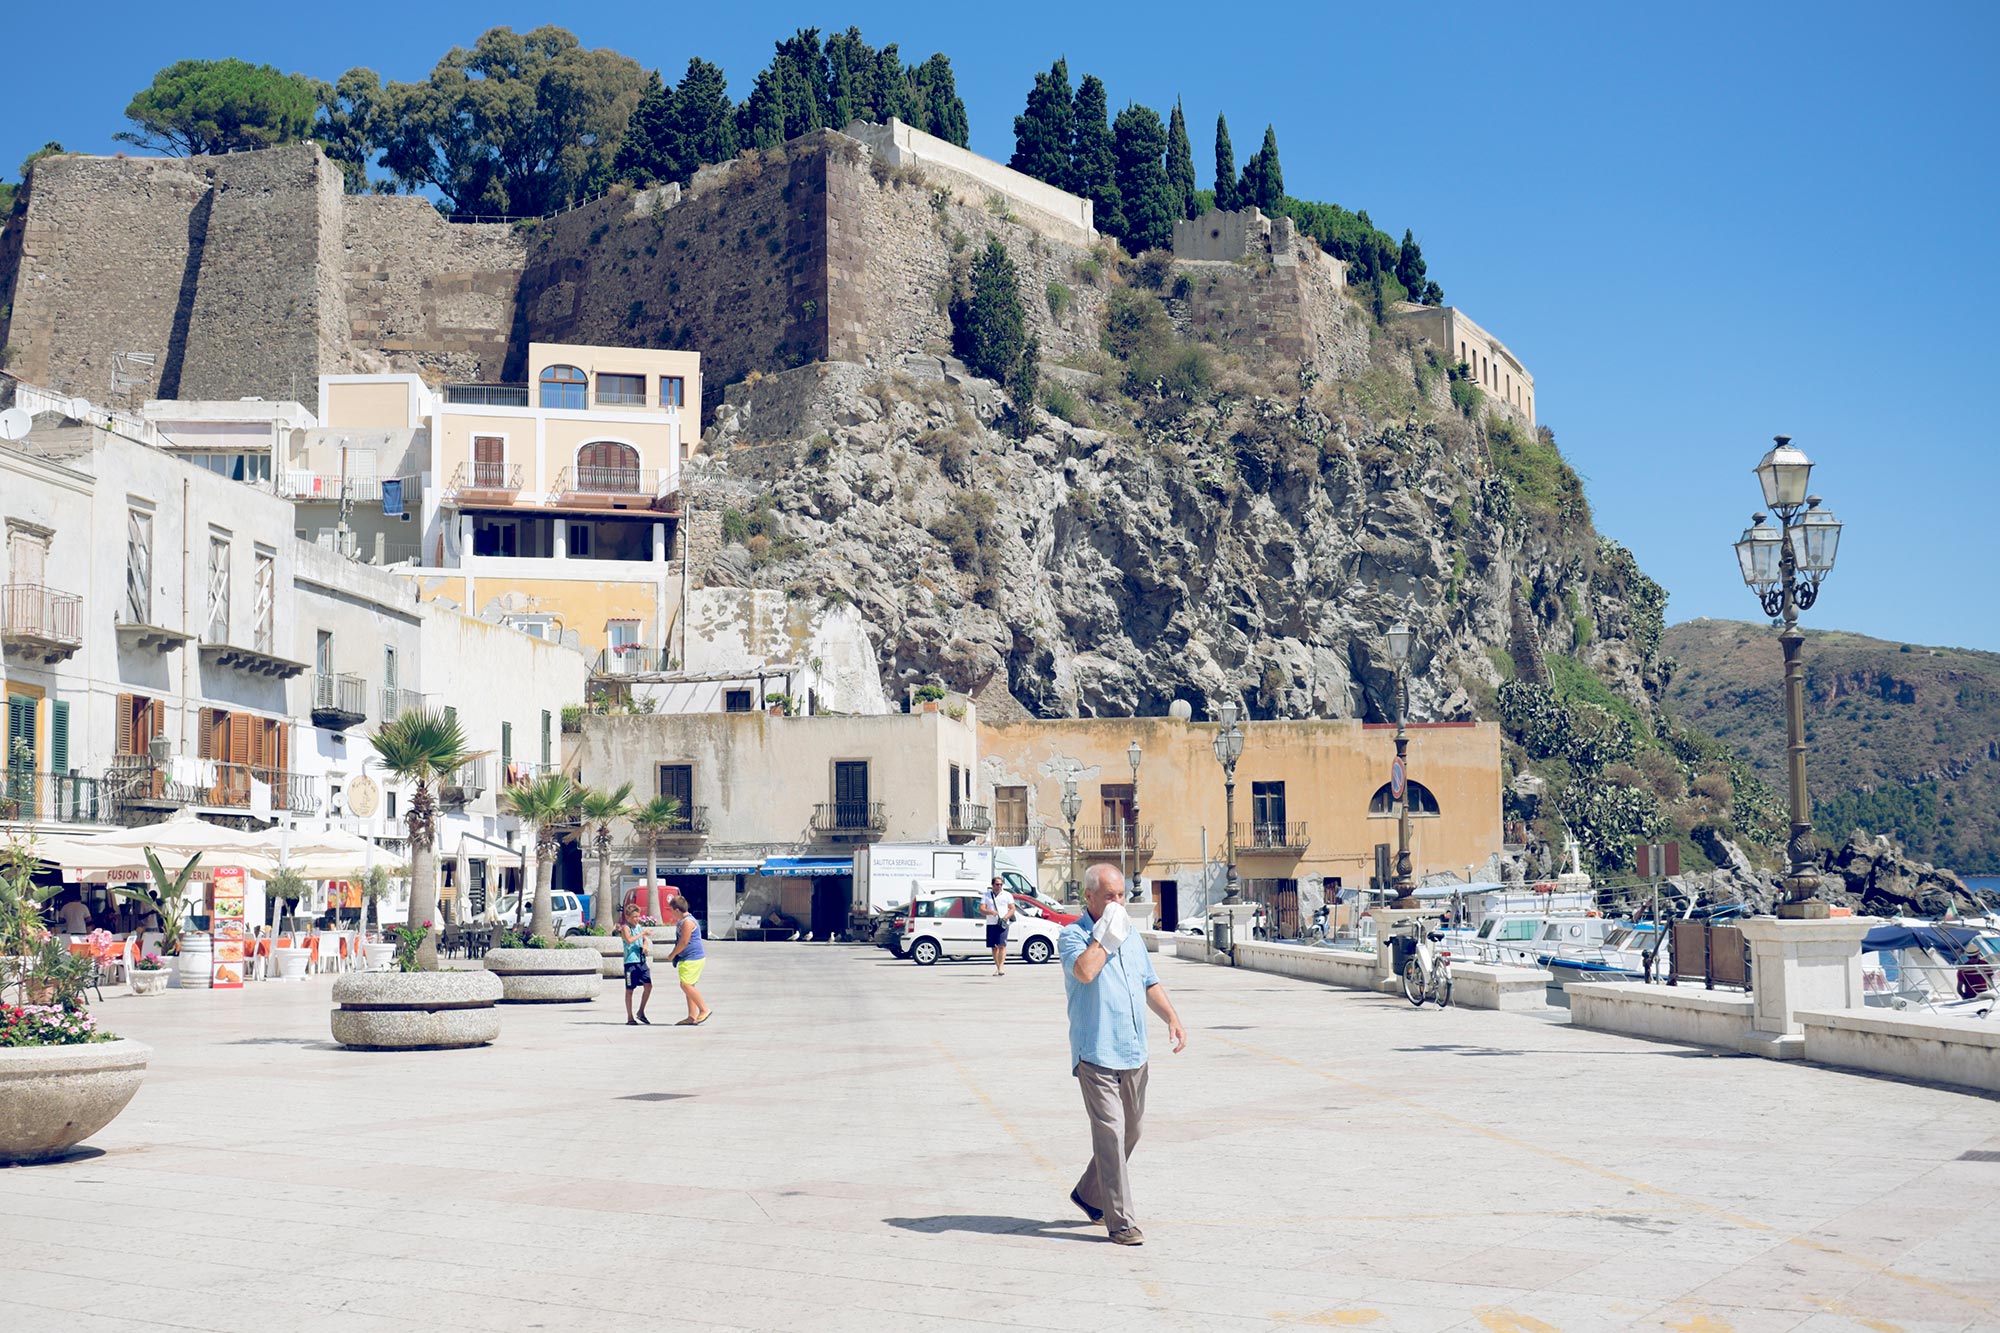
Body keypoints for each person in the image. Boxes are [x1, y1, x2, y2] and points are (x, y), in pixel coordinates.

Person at [1057, 863, 1187, 1247]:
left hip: (1133, 1051)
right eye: (1110, 896)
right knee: (1111, 1134)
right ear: (1090, 898)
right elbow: (1084, 972)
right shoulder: (1073, 936)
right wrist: (1104, 938)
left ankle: (1088, 1193)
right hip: (1095, 1052)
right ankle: (1121, 1221)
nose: (1118, 903)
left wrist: (1172, 1018)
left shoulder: (1129, 936)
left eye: (1121, 896)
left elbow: (1149, 981)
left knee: (1132, 1131)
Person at [662, 894, 711, 1026]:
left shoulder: (688, 922)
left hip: (692, 958)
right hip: (688, 958)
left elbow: (684, 942)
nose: (671, 913)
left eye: (671, 910)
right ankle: (691, 1016)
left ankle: (704, 1009)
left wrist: (672, 954)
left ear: (677, 910)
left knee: (686, 985)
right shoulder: (684, 921)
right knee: (689, 986)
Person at [617, 902, 653, 1025]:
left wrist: (645, 945)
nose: (637, 919)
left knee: (648, 985)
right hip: (630, 962)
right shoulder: (625, 928)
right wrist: (643, 934)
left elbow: (644, 939)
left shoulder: (638, 927)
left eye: (638, 916)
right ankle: (630, 1017)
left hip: (641, 961)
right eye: (634, 917)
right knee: (629, 990)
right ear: (628, 917)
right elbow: (629, 939)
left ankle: (641, 1011)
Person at [981, 876, 1016, 976]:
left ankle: (1001, 967)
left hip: (1003, 923)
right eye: (997, 884)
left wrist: (1006, 917)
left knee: (1002, 945)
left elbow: (1012, 908)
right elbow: (982, 909)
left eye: (1001, 884)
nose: (999, 886)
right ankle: (997, 966)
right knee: (994, 947)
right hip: (991, 923)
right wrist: (990, 912)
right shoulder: (986, 895)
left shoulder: (1007, 895)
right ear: (992, 885)